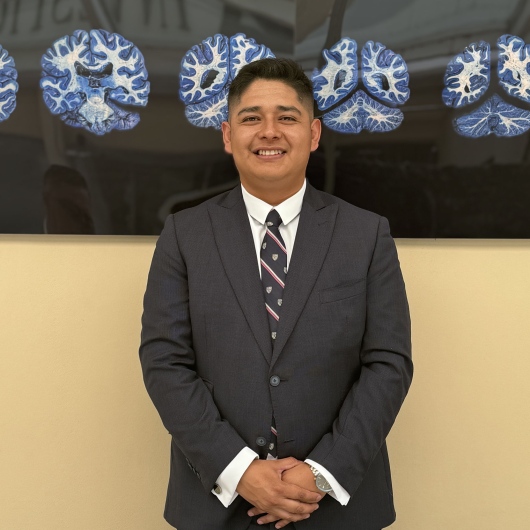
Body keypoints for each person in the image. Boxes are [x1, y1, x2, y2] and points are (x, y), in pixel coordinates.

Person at [140, 58, 412, 530]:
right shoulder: (185, 234)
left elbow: (389, 363)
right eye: (252, 118)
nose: (269, 132)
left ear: (314, 133)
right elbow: (165, 361)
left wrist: (320, 474)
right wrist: (239, 470)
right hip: (218, 505)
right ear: (228, 136)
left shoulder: (366, 234)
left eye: (287, 117)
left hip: (335, 507)